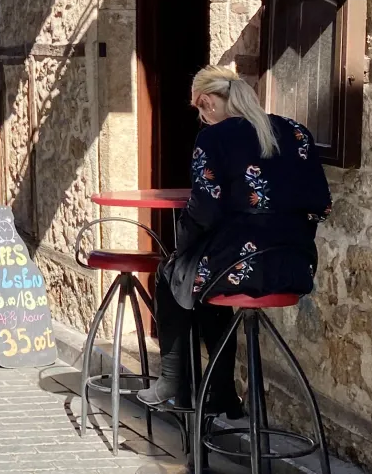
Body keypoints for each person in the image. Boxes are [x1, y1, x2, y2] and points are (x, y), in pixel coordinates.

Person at [136, 65, 332, 417]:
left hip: (241, 265)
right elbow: (321, 204)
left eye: (198, 108)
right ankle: (222, 392)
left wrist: (185, 245)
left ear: (208, 102)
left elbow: (206, 207)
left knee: (173, 272)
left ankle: (172, 380)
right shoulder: (296, 132)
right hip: (296, 264)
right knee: (205, 280)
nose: (200, 116)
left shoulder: (214, 138)